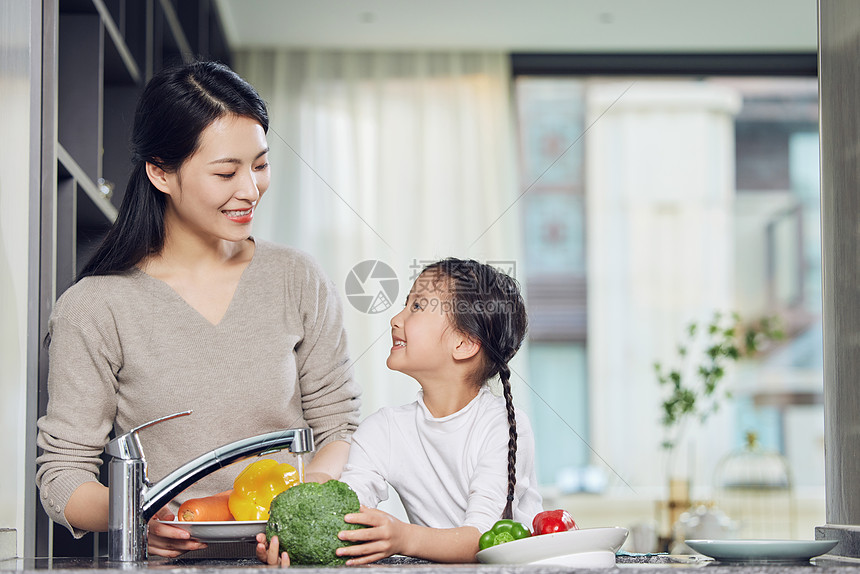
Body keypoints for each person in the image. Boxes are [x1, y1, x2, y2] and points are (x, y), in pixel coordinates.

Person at [35, 60, 362, 558]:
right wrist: (137, 513)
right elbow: (62, 474)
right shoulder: (95, 306)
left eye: (260, 165)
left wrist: (298, 511)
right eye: (226, 172)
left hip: (288, 561)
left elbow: (338, 425)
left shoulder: (297, 278)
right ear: (161, 172)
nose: (250, 189)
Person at [257, 258, 544, 565]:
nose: (395, 319)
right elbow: (348, 509)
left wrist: (403, 538)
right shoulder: (384, 428)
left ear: (463, 343)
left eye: (417, 307)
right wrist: (294, 540)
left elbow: (484, 540)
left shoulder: (502, 426)